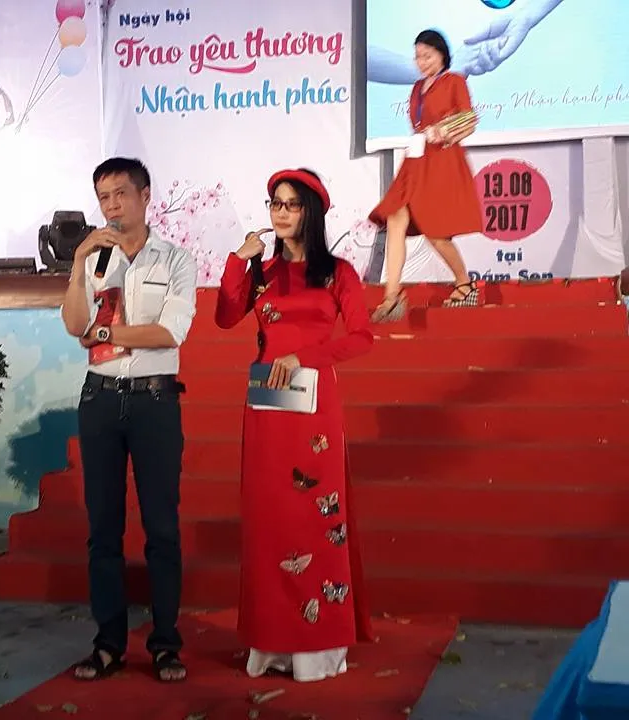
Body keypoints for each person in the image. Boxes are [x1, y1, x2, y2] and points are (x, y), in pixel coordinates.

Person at [215, 168, 374, 682]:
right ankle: (272, 640)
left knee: (312, 518)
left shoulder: (338, 273)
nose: (280, 213)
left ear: (312, 211)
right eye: (275, 203)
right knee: (270, 521)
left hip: (314, 407)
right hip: (267, 405)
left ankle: (316, 642)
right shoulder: (261, 273)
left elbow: (362, 337)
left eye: (291, 204)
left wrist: (305, 358)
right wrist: (239, 259)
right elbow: (225, 316)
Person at [60, 157, 198, 683]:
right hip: (99, 399)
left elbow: (170, 332)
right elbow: (74, 323)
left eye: (121, 194)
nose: (113, 206)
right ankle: (108, 643)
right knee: (103, 529)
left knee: (161, 526)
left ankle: (165, 644)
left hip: (154, 401)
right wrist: (79, 262)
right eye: (104, 197)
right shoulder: (97, 261)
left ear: (145, 196)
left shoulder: (176, 259)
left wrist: (104, 335)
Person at [369, 30, 483, 322]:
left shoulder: (454, 81)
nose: (421, 62)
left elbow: (469, 118)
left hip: (442, 161)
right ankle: (391, 295)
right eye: (418, 56)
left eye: (427, 56)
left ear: (442, 54)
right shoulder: (417, 87)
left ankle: (464, 283)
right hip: (416, 161)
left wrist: (442, 130)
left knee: (435, 231)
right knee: (396, 216)